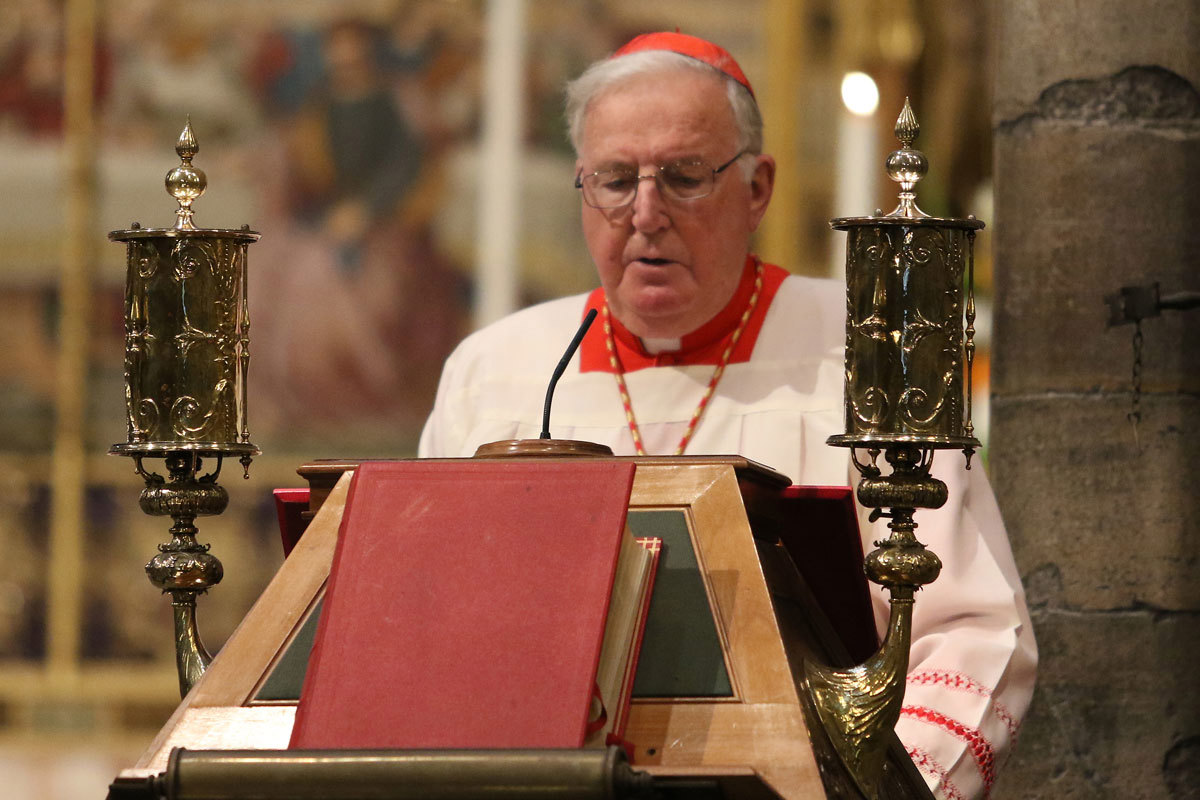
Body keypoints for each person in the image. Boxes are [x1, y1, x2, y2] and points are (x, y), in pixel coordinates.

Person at [419, 31, 1036, 800]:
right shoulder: (495, 370)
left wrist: (872, 791)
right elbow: (429, 629)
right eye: (615, 180)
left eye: (683, 177)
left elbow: (974, 633)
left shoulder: (872, 356)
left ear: (758, 188)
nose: (645, 214)